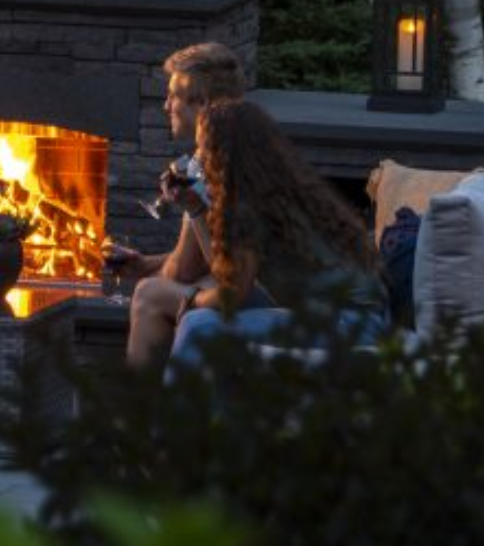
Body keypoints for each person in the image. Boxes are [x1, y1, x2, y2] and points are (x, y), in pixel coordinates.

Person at [166, 98, 387, 365]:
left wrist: (194, 301)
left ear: (223, 151)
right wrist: (196, 210)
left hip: (352, 324)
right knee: (197, 307)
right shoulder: (270, 185)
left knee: (198, 326)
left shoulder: (251, 201)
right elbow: (227, 274)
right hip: (352, 315)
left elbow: (231, 295)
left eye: (203, 148)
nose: (198, 159)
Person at [109, 42, 248, 368]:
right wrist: (144, 263)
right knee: (164, 284)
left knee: (149, 293)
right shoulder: (227, 146)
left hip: (278, 297)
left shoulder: (213, 164)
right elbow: (195, 260)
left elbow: (184, 269)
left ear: (201, 105)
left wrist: (192, 209)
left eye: (173, 96)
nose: (165, 105)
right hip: (252, 283)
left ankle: (138, 409)